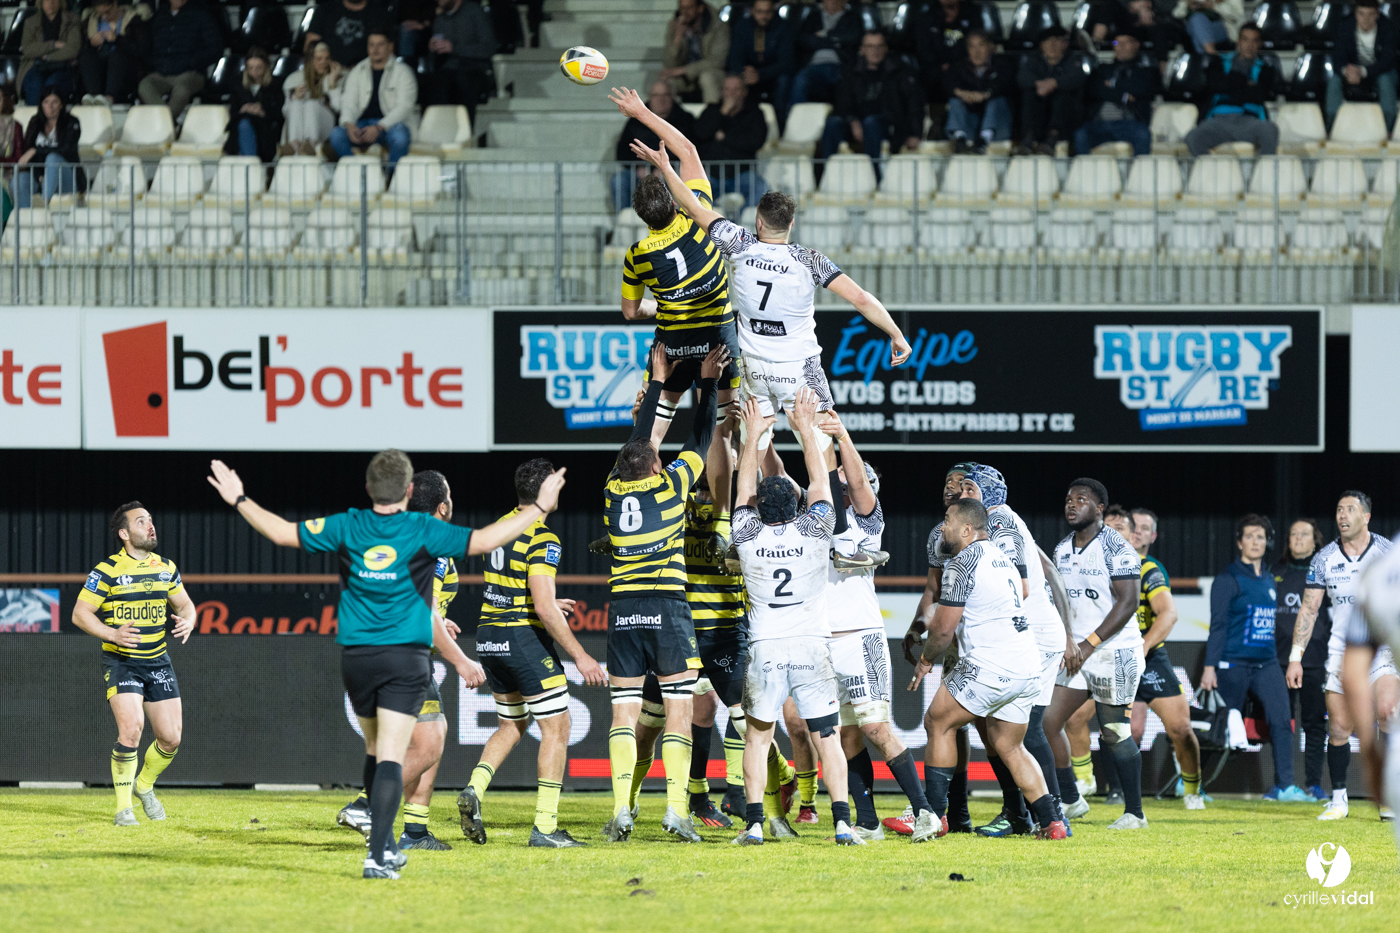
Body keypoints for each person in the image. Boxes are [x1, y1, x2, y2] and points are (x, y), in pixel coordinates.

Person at [206, 449, 566, 879]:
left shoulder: (348, 523)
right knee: (395, 756)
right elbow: (487, 540)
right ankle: (378, 855)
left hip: (357, 658)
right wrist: (541, 506)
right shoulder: (423, 528)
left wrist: (239, 499)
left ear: (368, 489)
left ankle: (384, 836)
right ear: (410, 490)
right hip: (403, 658)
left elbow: (282, 533)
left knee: (377, 752)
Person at [629, 134, 911, 463]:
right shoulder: (810, 259)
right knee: (821, 452)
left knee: (754, 451)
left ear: (758, 221)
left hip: (755, 369)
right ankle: (828, 508)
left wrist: (665, 167)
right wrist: (895, 333)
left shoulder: (739, 243)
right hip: (798, 370)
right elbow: (861, 298)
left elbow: (692, 206)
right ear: (791, 223)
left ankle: (748, 512)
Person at [600, 342, 726, 844]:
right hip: (668, 607)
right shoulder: (671, 487)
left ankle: (620, 811)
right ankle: (676, 811)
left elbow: (634, 443)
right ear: (654, 467)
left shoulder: (612, 491)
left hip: (624, 611)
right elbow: (700, 439)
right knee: (678, 709)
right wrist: (708, 382)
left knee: (624, 713)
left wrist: (656, 382)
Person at [731, 389, 863, 846]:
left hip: (766, 647)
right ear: (795, 503)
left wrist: (753, 438)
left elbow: (744, 490)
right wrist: (805, 427)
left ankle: (751, 824)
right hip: (811, 647)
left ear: (759, 509)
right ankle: (843, 823)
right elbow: (822, 483)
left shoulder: (746, 534)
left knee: (757, 740)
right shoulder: (813, 529)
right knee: (828, 738)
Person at [335, 470, 489, 851]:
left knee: (432, 730)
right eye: (450, 496)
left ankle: (415, 832)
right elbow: (424, 611)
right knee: (429, 743)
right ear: (442, 506)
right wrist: (462, 662)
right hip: (399, 656)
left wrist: (437, 623)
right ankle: (366, 805)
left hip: (376, 649)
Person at [457, 459, 607, 848]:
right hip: (522, 639)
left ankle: (474, 789)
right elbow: (541, 608)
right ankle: (545, 827)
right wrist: (581, 656)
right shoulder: (542, 538)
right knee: (557, 728)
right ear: (545, 493)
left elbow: (522, 593)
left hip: (488, 636)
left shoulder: (501, 526)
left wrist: (550, 602)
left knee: (513, 724)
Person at [910, 497, 1070, 841]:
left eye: (949, 521)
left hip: (992, 663)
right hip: (1026, 665)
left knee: (937, 721)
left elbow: (942, 629)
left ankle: (933, 817)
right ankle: (1052, 821)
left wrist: (925, 661)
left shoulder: (962, 562)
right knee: (1009, 745)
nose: (943, 527)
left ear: (968, 529)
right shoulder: (1003, 557)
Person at [818, 418, 938, 842]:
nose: (848, 486)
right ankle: (867, 820)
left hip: (860, 636)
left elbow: (846, 477)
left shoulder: (868, 520)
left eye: (855, 481)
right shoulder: (817, 518)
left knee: (875, 729)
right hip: (823, 640)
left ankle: (925, 812)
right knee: (844, 733)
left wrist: (839, 437)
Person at [609, 86, 740, 445]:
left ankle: (639, 488)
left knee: (654, 423)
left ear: (640, 216)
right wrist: (641, 113)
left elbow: (630, 312)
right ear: (673, 198)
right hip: (718, 334)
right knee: (723, 429)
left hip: (674, 342)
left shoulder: (637, 254)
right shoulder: (700, 216)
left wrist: (667, 304)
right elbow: (689, 150)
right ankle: (730, 501)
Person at [958, 464, 1078, 836]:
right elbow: (1052, 575)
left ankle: (1054, 814)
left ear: (987, 493)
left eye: (968, 487)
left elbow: (1020, 585)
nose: (962, 494)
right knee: (1001, 731)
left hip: (1033, 636)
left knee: (1027, 730)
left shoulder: (1001, 523)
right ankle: (1023, 814)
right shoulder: (1001, 522)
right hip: (1034, 633)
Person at [70, 502, 196, 827]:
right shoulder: (107, 570)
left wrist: (189, 620)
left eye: (151, 520)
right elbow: (80, 614)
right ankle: (123, 808)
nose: (150, 526)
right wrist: (112, 633)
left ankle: (144, 786)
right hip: (122, 661)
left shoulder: (166, 567)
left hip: (158, 661)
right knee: (132, 729)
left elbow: (185, 606)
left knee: (171, 738)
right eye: (142, 522)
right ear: (124, 533)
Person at [1043, 478, 1149, 830]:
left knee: (1115, 733)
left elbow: (1129, 602)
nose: (1072, 504)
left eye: (1082, 500)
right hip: (1077, 652)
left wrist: (1088, 643)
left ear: (1100, 508)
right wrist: (1069, 640)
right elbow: (1060, 602)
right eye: (1069, 499)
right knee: (1045, 723)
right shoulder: (1061, 550)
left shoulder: (1117, 547)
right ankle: (1071, 799)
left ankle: (1135, 813)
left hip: (1114, 652)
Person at [1287, 491, 1397, 821]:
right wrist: (1296, 656)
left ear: (1366, 516)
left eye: (1350, 509)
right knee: (1339, 726)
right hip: (1341, 650)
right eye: (1338, 509)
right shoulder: (1323, 559)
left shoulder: (1387, 553)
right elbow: (1308, 609)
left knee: (1388, 713)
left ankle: (1389, 798)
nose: (1342, 515)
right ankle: (1338, 799)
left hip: (1383, 649)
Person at [890, 461, 979, 837]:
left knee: (991, 729)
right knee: (953, 725)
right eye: (947, 482)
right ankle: (955, 812)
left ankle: (1029, 808)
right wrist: (916, 626)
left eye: (960, 483)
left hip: (987, 639)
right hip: (954, 637)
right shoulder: (937, 536)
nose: (951, 487)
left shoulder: (996, 532)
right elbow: (933, 590)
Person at [1201, 516, 1309, 801]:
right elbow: (1218, 626)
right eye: (1249, 537)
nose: (1255, 542)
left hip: (1267, 664)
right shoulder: (1228, 579)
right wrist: (1210, 667)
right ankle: (1191, 784)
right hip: (1232, 663)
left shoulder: (1269, 580)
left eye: (1260, 537)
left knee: (1282, 720)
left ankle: (1284, 787)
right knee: (1218, 725)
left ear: (1268, 542)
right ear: (1239, 542)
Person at [1120, 508, 1205, 808]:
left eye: (1146, 528)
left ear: (1153, 536)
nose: (1139, 531)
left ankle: (1193, 790)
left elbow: (1169, 614)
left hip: (1148, 657)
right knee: (1080, 719)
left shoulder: (1150, 569)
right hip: (1111, 656)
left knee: (1181, 729)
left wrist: (1142, 648)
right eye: (1134, 526)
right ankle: (1082, 784)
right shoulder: (1105, 566)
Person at [1274, 518, 1331, 802]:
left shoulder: (1325, 573)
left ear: (1315, 541)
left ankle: (1313, 784)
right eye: (1293, 533)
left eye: (1304, 534)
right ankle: (1281, 784)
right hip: (1277, 660)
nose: (1298, 538)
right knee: (1280, 722)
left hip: (1315, 661)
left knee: (1314, 724)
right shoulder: (1274, 572)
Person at [818, 30, 924, 173]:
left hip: (888, 124)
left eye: (879, 46)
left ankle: (873, 176)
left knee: (871, 123)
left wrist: (915, 133)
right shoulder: (851, 71)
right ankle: (825, 175)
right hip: (857, 122)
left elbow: (914, 104)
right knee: (832, 124)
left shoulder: (900, 71)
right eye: (870, 46)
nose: (875, 51)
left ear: (886, 49)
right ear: (862, 49)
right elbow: (842, 102)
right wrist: (852, 120)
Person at [1184, 24, 1280, 157]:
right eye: (1245, 39)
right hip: (1219, 120)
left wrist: (1229, 84)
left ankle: (1264, 175)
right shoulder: (1219, 62)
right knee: (1193, 137)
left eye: (1254, 41)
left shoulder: (1266, 69)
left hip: (1249, 121)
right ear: (1238, 42)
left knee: (1270, 131)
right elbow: (1214, 85)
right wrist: (1246, 83)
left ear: (1259, 44)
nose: (1249, 45)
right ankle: (1211, 173)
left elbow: (1259, 95)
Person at [332, 30, 417, 169]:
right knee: (336, 134)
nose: (375, 49)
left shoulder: (403, 72)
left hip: (389, 126)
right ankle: (356, 173)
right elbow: (349, 102)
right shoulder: (357, 71)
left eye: (380, 45)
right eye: (371, 45)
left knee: (400, 136)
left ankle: (391, 180)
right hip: (361, 125)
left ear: (390, 46)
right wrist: (349, 125)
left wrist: (379, 127)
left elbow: (404, 107)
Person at [610, 81, 695, 213]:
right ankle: (624, 222)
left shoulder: (685, 119)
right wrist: (640, 168)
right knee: (618, 180)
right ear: (650, 97)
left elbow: (690, 150)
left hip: (673, 171)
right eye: (656, 95)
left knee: (682, 178)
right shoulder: (634, 121)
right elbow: (622, 152)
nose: (661, 99)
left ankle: (681, 221)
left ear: (673, 97)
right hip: (641, 172)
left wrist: (665, 168)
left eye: (665, 94)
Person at [136, 0, 222, 120]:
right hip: (161, 71)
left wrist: (192, 62)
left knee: (181, 90)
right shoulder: (160, 16)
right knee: (145, 86)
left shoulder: (201, 14)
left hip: (190, 72)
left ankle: (164, 124)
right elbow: (148, 46)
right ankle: (169, 123)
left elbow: (215, 48)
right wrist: (154, 63)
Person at [1075, 32, 1157, 156]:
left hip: (1130, 124)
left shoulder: (1146, 71)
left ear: (1136, 45)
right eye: (1117, 42)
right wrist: (1123, 96)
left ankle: (1141, 174)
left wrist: (1112, 85)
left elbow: (1142, 89)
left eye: (1126, 42)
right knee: (1080, 135)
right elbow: (1094, 90)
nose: (1121, 46)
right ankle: (1083, 173)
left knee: (1143, 134)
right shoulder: (1102, 69)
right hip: (1099, 123)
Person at [694, 74, 769, 208]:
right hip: (711, 175)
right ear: (722, 92)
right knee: (693, 195)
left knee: (762, 190)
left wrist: (725, 137)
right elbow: (700, 134)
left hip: (742, 174)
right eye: (727, 89)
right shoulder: (711, 110)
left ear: (745, 92)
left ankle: (741, 225)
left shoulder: (754, 113)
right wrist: (723, 112)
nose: (731, 94)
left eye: (736, 89)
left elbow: (755, 142)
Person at [1326, 0, 1398, 133]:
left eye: (1370, 14)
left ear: (1377, 15)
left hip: (1379, 72)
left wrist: (1363, 71)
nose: (1365, 19)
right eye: (1361, 14)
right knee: (1334, 80)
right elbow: (1337, 57)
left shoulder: (1387, 27)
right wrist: (1346, 70)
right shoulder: (1345, 26)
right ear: (1355, 14)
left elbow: (1388, 61)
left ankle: (1388, 130)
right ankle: (1332, 129)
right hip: (1352, 71)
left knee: (1386, 80)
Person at [1017, 26, 1086, 155]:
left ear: (1065, 44)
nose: (1052, 45)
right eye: (1048, 41)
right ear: (1041, 45)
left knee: (1063, 94)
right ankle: (1029, 139)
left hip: (1068, 117)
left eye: (1057, 41)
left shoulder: (1073, 60)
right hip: (1040, 110)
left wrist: (1055, 83)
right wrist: (1038, 84)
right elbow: (1022, 78)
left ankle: (1053, 138)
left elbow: (1077, 78)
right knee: (1030, 94)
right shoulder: (1033, 61)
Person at [942, 30, 1013, 153]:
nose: (977, 51)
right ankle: (959, 139)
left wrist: (985, 94)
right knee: (955, 100)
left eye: (981, 45)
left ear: (990, 47)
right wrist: (962, 93)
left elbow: (1004, 84)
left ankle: (984, 140)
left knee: (995, 100)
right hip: (971, 125)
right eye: (972, 46)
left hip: (997, 127)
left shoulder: (1003, 65)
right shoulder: (959, 67)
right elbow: (947, 84)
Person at [427, 0, 497, 124]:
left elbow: (488, 48)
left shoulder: (474, 12)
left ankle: (466, 133)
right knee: (435, 82)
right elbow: (435, 58)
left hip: (475, 69)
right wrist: (432, 48)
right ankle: (439, 132)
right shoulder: (440, 18)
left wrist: (454, 48)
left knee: (464, 80)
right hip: (448, 70)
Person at [726, 0, 794, 120]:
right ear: (752, 11)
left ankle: (780, 123)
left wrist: (761, 74)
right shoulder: (742, 27)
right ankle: (732, 123)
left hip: (772, 75)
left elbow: (786, 62)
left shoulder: (783, 28)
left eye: (768, 12)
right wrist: (743, 71)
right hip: (748, 75)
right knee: (733, 80)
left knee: (784, 80)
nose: (764, 16)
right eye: (760, 12)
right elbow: (735, 57)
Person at [15, 88, 82, 207]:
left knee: (53, 158)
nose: (50, 106)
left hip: (67, 177)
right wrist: (39, 176)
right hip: (41, 178)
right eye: (46, 102)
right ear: (41, 105)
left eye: (54, 102)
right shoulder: (35, 122)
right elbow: (27, 154)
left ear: (61, 104)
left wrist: (36, 150)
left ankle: (44, 206)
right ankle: (24, 220)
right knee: (20, 179)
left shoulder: (72, 122)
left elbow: (65, 150)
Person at [791, 0, 863, 106]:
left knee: (847, 85)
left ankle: (843, 119)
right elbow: (803, 40)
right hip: (814, 65)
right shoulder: (813, 17)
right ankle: (796, 119)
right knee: (800, 80)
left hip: (841, 65)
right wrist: (835, 41)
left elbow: (853, 38)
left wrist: (824, 35)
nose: (832, 1)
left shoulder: (852, 17)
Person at [78, 0, 149, 106]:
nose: (104, 17)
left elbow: (142, 50)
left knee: (117, 55)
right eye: (100, 14)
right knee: (87, 56)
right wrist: (90, 43)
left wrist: (118, 39)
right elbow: (79, 51)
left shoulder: (133, 20)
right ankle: (94, 96)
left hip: (125, 72)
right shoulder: (90, 21)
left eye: (107, 12)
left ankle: (109, 97)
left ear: (115, 4)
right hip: (99, 71)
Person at [660, 0, 729, 104]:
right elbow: (669, 65)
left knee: (707, 78)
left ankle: (711, 117)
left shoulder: (717, 26)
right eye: (682, 8)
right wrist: (677, 39)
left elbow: (717, 61)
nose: (685, 12)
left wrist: (685, 70)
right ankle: (669, 118)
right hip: (686, 77)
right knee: (665, 83)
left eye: (689, 8)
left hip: (712, 72)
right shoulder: (675, 25)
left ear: (700, 8)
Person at [282, 42, 344, 157]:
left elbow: (339, 108)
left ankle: (310, 145)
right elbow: (286, 112)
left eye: (327, 58)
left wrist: (332, 87)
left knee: (311, 104)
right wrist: (294, 98)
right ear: (310, 60)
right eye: (319, 59)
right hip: (300, 126)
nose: (323, 62)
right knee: (295, 104)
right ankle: (294, 146)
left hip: (326, 125)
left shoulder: (337, 78)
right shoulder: (295, 79)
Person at [226, 48, 283, 164]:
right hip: (242, 127)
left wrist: (262, 111)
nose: (254, 72)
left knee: (245, 124)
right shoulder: (238, 84)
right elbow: (233, 113)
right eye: (250, 68)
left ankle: (250, 168)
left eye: (258, 68)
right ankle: (252, 167)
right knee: (244, 123)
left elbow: (279, 113)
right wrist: (244, 110)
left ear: (266, 67)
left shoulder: (275, 84)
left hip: (266, 131)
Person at [19, 0, 80, 106]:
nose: (51, 3)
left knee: (52, 84)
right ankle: (35, 119)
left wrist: (48, 57)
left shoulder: (72, 20)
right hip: (35, 66)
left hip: (63, 67)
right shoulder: (30, 22)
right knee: (34, 83)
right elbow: (27, 49)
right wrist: (53, 44)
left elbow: (72, 49)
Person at [305, 0, 394, 69]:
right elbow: (310, 48)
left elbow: (388, 51)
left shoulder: (380, 14)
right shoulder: (325, 10)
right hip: (327, 72)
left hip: (366, 75)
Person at [1175, 0, 1245, 54]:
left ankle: (1208, 58)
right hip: (1195, 24)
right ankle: (1212, 56)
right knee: (1197, 19)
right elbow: (1176, 13)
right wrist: (1188, 5)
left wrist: (1214, 6)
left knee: (1198, 33)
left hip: (1224, 27)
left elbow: (1238, 14)